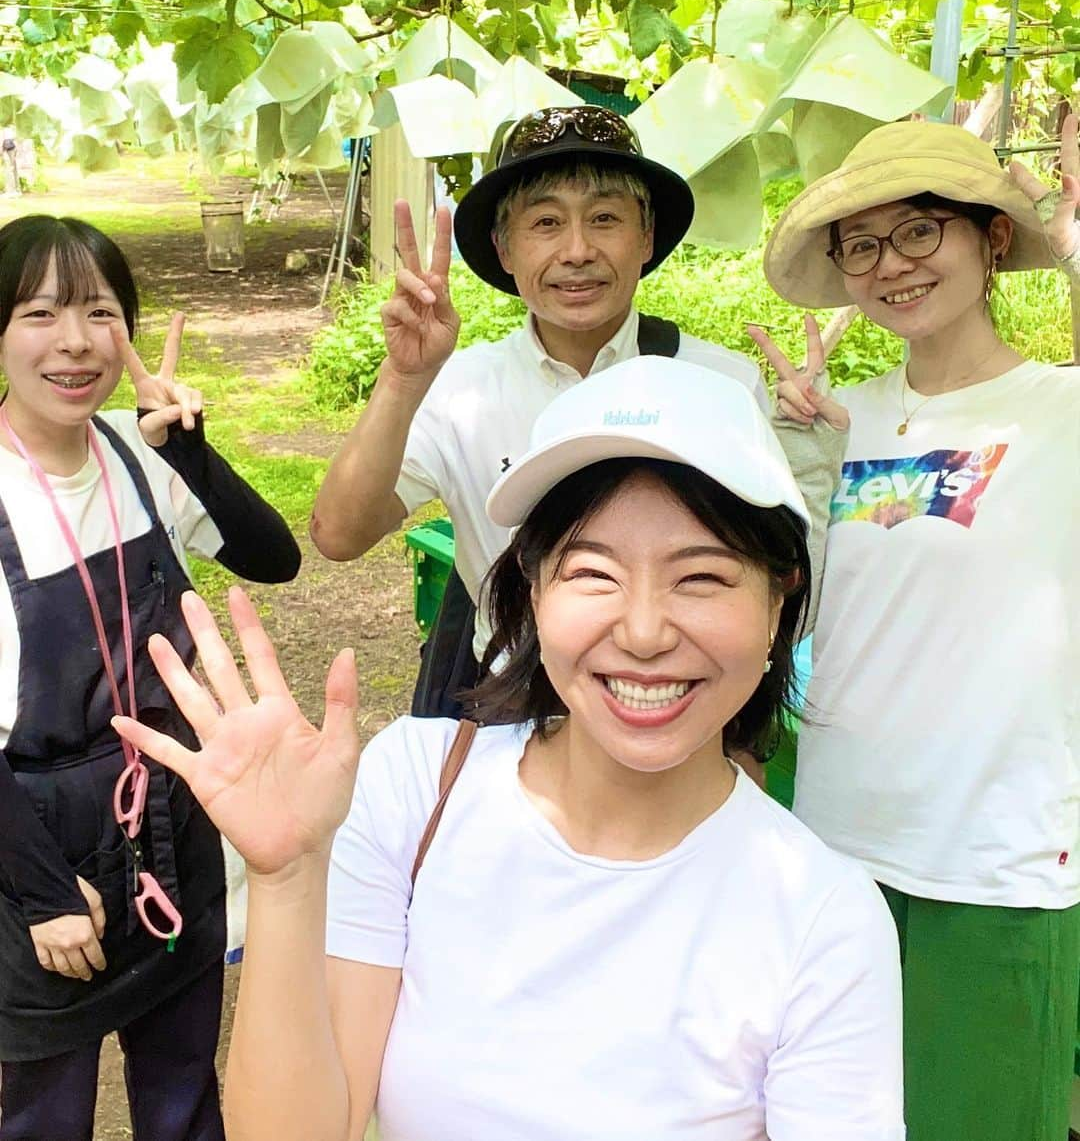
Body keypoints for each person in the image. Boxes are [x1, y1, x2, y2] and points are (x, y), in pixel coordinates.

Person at [116, 356, 905, 1141]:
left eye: (700, 578)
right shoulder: (415, 789)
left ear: (779, 600)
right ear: (532, 590)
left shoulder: (822, 918)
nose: (642, 631)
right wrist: (286, 881)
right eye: (593, 572)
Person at [752, 115, 1080, 1141]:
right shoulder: (836, 414)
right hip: (836, 848)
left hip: (991, 857)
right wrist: (800, 467)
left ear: (989, 240)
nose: (891, 264)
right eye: (863, 243)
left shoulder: (1059, 410)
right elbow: (802, 604)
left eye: (921, 229)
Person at [310, 106, 845, 723]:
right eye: (545, 222)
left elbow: (770, 587)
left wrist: (740, 744)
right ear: (504, 249)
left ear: (646, 238)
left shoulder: (720, 383)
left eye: (606, 218)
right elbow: (340, 535)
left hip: (670, 701)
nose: (577, 250)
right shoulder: (461, 388)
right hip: (515, 708)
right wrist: (404, 379)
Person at [0, 215, 301, 1141]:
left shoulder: (137, 457)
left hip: (172, 822)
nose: (77, 341)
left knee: (181, 1090)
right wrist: (43, 895)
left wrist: (192, 454)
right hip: (35, 846)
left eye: (100, 311)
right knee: (44, 1113)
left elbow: (272, 557)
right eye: (40, 312)